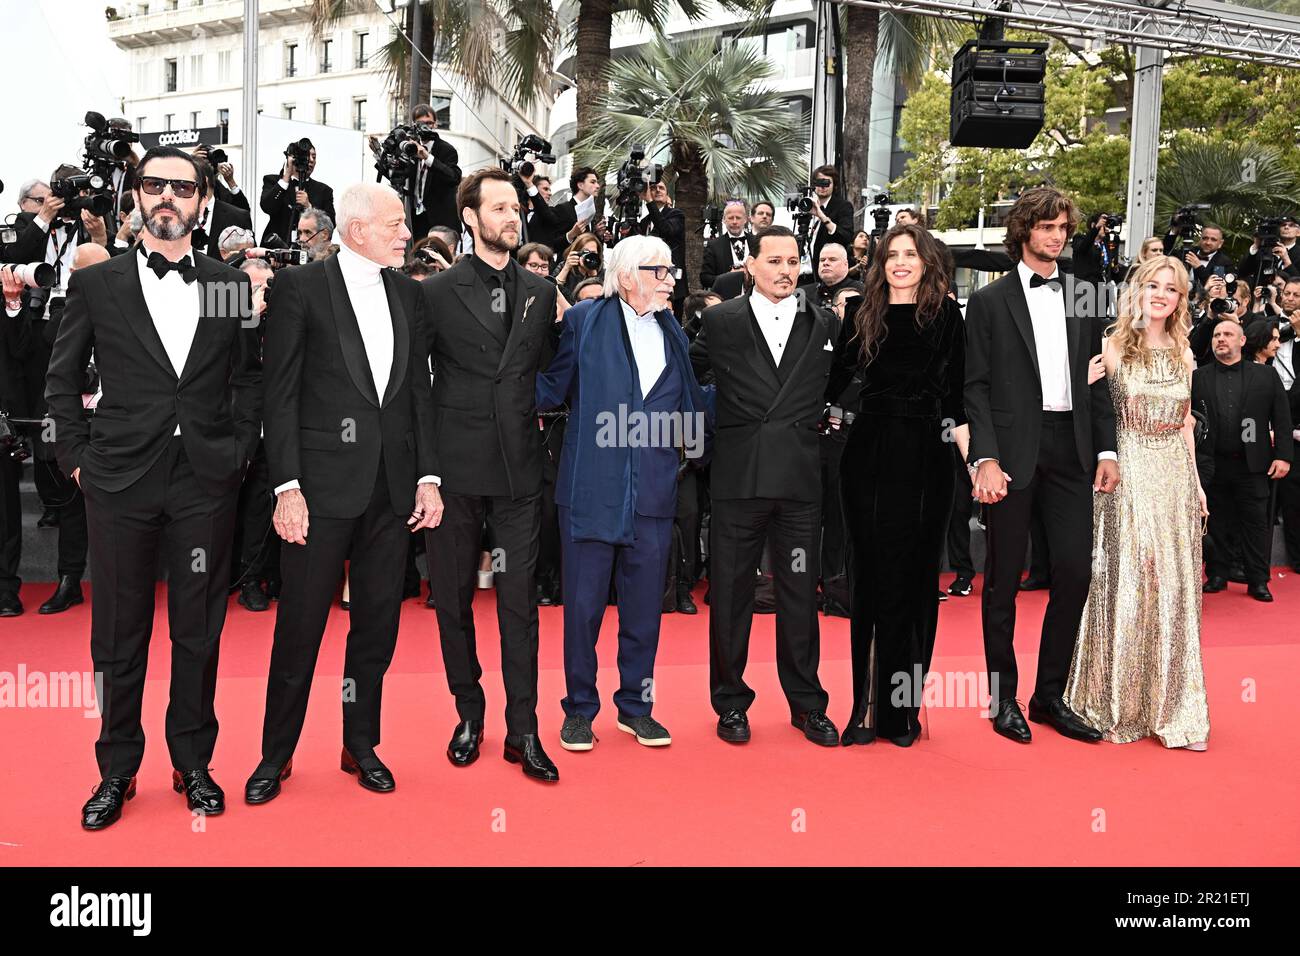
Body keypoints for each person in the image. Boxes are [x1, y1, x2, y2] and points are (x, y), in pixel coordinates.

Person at [44, 145, 262, 829]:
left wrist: (239, 450)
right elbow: (61, 380)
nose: (168, 197)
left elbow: (250, 377)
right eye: (154, 185)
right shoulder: (98, 283)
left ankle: (193, 762)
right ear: (135, 197)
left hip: (204, 478)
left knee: (197, 630)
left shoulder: (228, 283)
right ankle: (116, 769)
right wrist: (76, 459)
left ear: (203, 201)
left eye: (183, 187)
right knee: (117, 634)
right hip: (119, 480)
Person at [244, 183, 440, 805]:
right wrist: (287, 487)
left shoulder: (410, 294)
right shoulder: (301, 288)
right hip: (319, 492)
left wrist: (429, 477)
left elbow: (418, 396)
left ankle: (361, 744)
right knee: (299, 630)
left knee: (377, 628)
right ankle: (275, 756)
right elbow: (280, 394)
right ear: (357, 229)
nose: (405, 233)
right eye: (395, 224)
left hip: (391, 493)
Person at [536, 235, 708, 751]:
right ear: (629, 274)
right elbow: (551, 387)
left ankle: (636, 707)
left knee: (643, 613)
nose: (671, 280)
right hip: (591, 490)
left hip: (655, 494)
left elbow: (688, 406)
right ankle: (579, 710)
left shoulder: (672, 329)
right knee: (583, 611)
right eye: (661, 271)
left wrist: (691, 452)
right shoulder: (585, 323)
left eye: (672, 271)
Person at [421, 167, 562, 782]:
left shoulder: (539, 292)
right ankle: (469, 714)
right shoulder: (433, 293)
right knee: (452, 601)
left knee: (518, 605)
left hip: (519, 474)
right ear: (471, 219)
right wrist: (424, 472)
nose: (512, 216)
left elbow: (554, 372)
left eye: (516, 207)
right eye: (499, 207)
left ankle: (524, 730)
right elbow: (414, 390)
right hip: (455, 472)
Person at [965, 185, 1118, 745]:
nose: (1056, 236)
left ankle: (1049, 695)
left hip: (1072, 447)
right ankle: (1003, 698)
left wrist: (1106, 449)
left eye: (1062, 229)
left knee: (1075, 572)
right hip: (1010, 451)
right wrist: (984, 457)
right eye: (1046, 227)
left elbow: (1100, 380)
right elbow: (974, 388)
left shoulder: (1084, 294)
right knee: (1003, 578)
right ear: (1024, 231)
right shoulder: (987, 302)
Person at [690, 225, 839, 746]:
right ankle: (730, 702)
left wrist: (837, 418)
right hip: (739, 478)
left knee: (800, 593)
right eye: (774, 260)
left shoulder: (824, 321)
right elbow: (689, 378)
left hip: (800, 478)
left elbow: (846, 383)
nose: (785, 270)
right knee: (731, 594)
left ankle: (807, 704)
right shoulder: (720, 320)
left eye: (793, 260)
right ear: (750, 265)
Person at [827, 224, 967, 746]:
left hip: (929, 457)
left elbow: (958, 399)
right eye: (892, 255)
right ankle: (863, 709)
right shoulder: (862, 312)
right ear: (879, 263)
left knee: (913, 582)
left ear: (927, 262)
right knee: (869, 577)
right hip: (868, 453)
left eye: (911, 254)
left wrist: (978, 463)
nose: (901, 262)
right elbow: (834, 383)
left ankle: (902, 713)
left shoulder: (947, 316)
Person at [1066, 256, 1210, 750]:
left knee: (1173, 586)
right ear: (1139, 290)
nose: (1162, 294)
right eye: (1154, 285)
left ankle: (1175, 709)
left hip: (1172, 476)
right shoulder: (1111, 344)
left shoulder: (1187, 352)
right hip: (1123, 472)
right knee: (1125, 580)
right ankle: (1114, 700)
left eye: (1172, 289)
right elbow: (1084, 405)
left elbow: (1188, 423)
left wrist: (1196, 483)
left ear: (1180, 299)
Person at [1196, 318, 1293, 600]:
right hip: (1212, 463)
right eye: (1216, 335)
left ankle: (1258, 580)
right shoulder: (1198, 378)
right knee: (1216, 523)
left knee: (1255, 524)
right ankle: (1217, 574)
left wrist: (1284, 456)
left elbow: (1282, 419)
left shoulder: (1265, 376)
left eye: (1227, 334)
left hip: (1252, 464)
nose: (1221, 339)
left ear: (1241, 341)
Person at [258, 139, 334, 246]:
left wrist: (309, 208)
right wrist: (286, 177)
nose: (311, 160)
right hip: (276, 248)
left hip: (309, 252)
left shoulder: (324, 191)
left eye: (314, 157)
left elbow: (330, 225)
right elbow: (267, 206)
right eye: (307, 156)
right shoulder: (273, 181)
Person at [409, 103, 462, 236]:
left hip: (440, 221)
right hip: (415, 217)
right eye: (421, 123)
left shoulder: (447, 150)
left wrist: (428, 158)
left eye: (429, 123)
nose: (426, 127)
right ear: (414, 124)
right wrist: (378, 153)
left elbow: (453, 177)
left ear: (435, 124)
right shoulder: (410, 148)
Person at [700, 199, 757, 289]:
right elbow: (705, 278)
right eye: (730, 218)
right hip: (725, 299)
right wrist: (728, 277)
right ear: (724, 219)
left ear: (745, 219)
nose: (734, 222)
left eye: (738, 218)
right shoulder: (713, 245)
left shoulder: (757, 242)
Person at [807, 165, 855, 264]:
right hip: (802, 271)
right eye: (819, 182)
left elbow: (846, 237)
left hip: (825, 268)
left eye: (827, 183)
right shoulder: (807, 205)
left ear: (835, 185)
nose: (822, 187)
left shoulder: (843, 206)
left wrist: (822, 217)